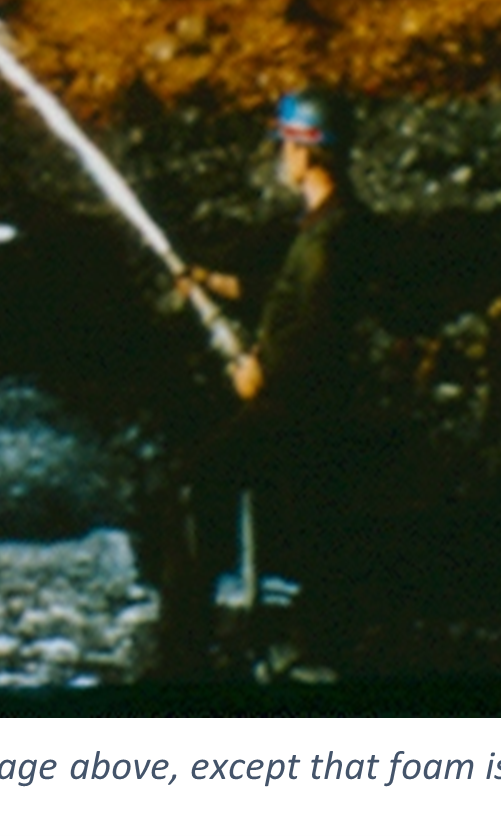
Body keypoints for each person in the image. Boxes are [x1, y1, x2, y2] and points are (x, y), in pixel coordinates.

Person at [161, 87, 377, 674]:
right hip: (316, 406)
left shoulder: (328, 242)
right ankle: (293, 631)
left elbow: (305, 333)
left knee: (196, 483)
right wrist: (216, 284)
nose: (281, 156)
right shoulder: (335, 224)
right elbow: (288, 294)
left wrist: (258, 373)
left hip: (301, 415)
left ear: (308, 154)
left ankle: (184, 650)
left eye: (285, 144)